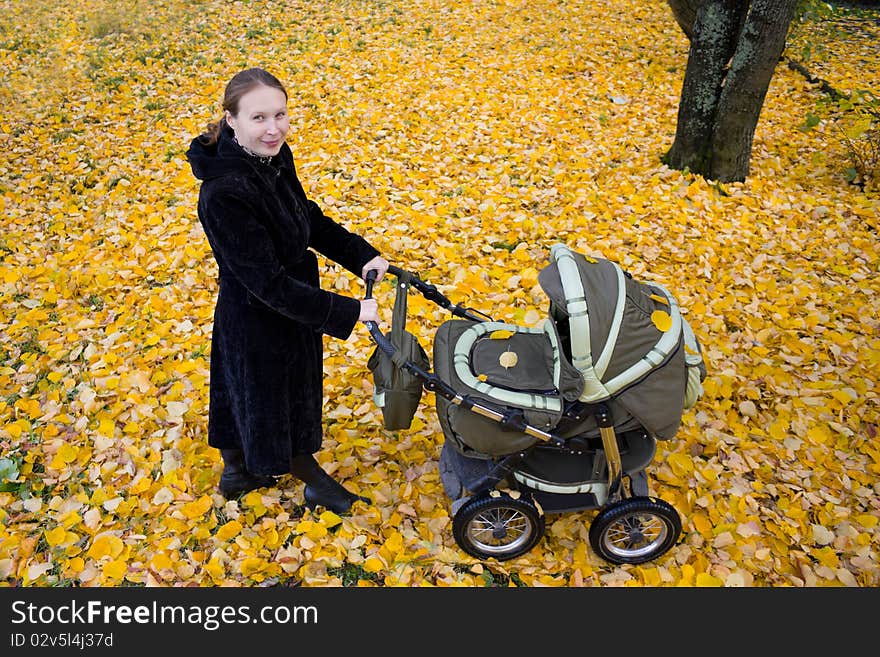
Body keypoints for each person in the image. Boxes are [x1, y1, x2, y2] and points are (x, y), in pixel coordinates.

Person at [185, 67, 389, 513]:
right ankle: (312, 480)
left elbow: (306, 216)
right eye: (259, 118)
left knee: (252, 391)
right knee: (271, 398)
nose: (273, 128)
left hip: (293, 299)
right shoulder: (224, 194)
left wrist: (360, 254)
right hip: (258, 313)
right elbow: (266, 283)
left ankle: (237, 473)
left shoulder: (272, 156)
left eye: (281, 115)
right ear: (232, 120)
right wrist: (351, 310)